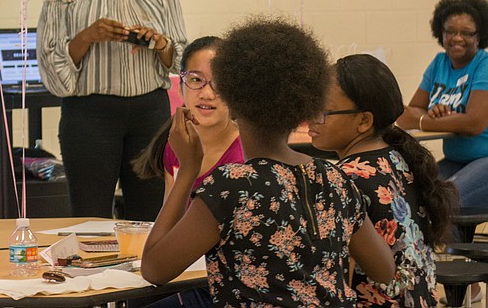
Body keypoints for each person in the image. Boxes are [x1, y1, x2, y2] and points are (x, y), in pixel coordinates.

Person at [140, 16, 395, 307]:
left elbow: (154, 270)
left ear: (233, 103)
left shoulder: (232, 186)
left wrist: (188, 170)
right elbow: (384, 270)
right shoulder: (334, 178)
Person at [37, 0, 187, 221]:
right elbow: (53, 76)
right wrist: (87, 36)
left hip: (150, 114)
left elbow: (179, 58)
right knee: (90, 218)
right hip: (89, 118)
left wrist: (160, 43)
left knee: (149, 215)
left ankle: (146, 276)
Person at [309, 54, 457, 307]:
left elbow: (335, 279)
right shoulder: (400, 156)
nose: (312, 118)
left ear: (364, 121)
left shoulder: (345, 178)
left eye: (323, 111)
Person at [397, 0, 488, 212]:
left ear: (479, 36)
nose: (457, 38)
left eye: (466, 33)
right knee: (412, 196)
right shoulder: (439, 63)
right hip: (455, 159)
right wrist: (438, 115)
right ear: (441, 33)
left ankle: (451, 248)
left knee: (444, 202)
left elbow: (474, 123)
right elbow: (406, 114)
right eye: (450, 31)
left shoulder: (483, 65)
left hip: (484, 159)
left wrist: (423, 121)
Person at [133, 36, 242, 203]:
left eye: (219, 83)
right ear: (180, 87)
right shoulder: (177, 144)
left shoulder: (244, 156)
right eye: (196, 80)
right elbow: (169, 223)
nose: (207, 94)